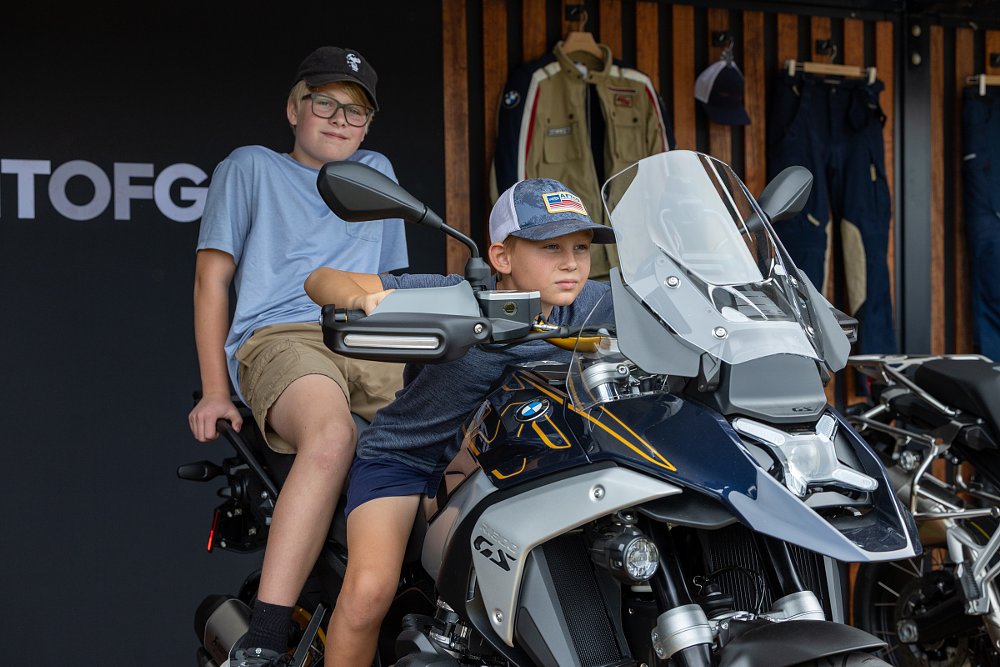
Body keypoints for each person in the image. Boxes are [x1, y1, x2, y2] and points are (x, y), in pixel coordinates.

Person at [303, 177, 616, 665]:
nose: (572, 262)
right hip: (409, 461)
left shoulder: (593, 303)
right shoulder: (458, 296)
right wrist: (362, 299)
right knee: (367, 595)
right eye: (550, 246)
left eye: (581, 246)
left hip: (525, 466)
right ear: (501, 258)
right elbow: (320, 279)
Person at [188, 46, 408, 667]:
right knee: (332, 436)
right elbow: (212, 282)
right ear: (293, 107)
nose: (341, 120)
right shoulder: (251, 167)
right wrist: (214, 389)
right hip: (283, 337)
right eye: (325, 103)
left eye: (357, 112)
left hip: (372, 340)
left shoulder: (376, 169)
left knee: (447, 455)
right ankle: (261, 640)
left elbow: (391, 283)